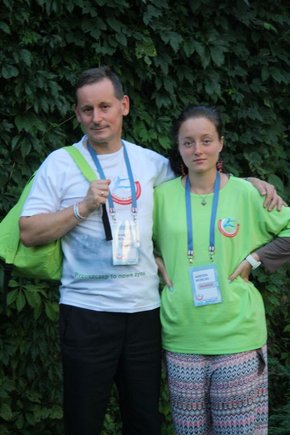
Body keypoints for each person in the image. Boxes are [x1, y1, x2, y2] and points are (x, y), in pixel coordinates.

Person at [19, 67, 283, 435]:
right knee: (83, 421)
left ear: (123, 106)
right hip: (87, 312)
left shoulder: (151, 164)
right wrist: (81, 208)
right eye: (87, 109)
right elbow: (28, 232)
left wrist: (252, 184)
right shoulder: (59, 164)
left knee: (144, 421)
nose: (97, 117)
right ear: (77, 113)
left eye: (105, 106)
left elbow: (201, 179)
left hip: (144, 314)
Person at [153, 105, 290, 435]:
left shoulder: (246, 192)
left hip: (237, 336)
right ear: (179, 148)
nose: (197, 150)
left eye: (206, 140)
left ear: (221, 143)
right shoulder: (160, 197)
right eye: (188, 142)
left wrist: (255, 259)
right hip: (181, 335)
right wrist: (153, 259)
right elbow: (131, 238)